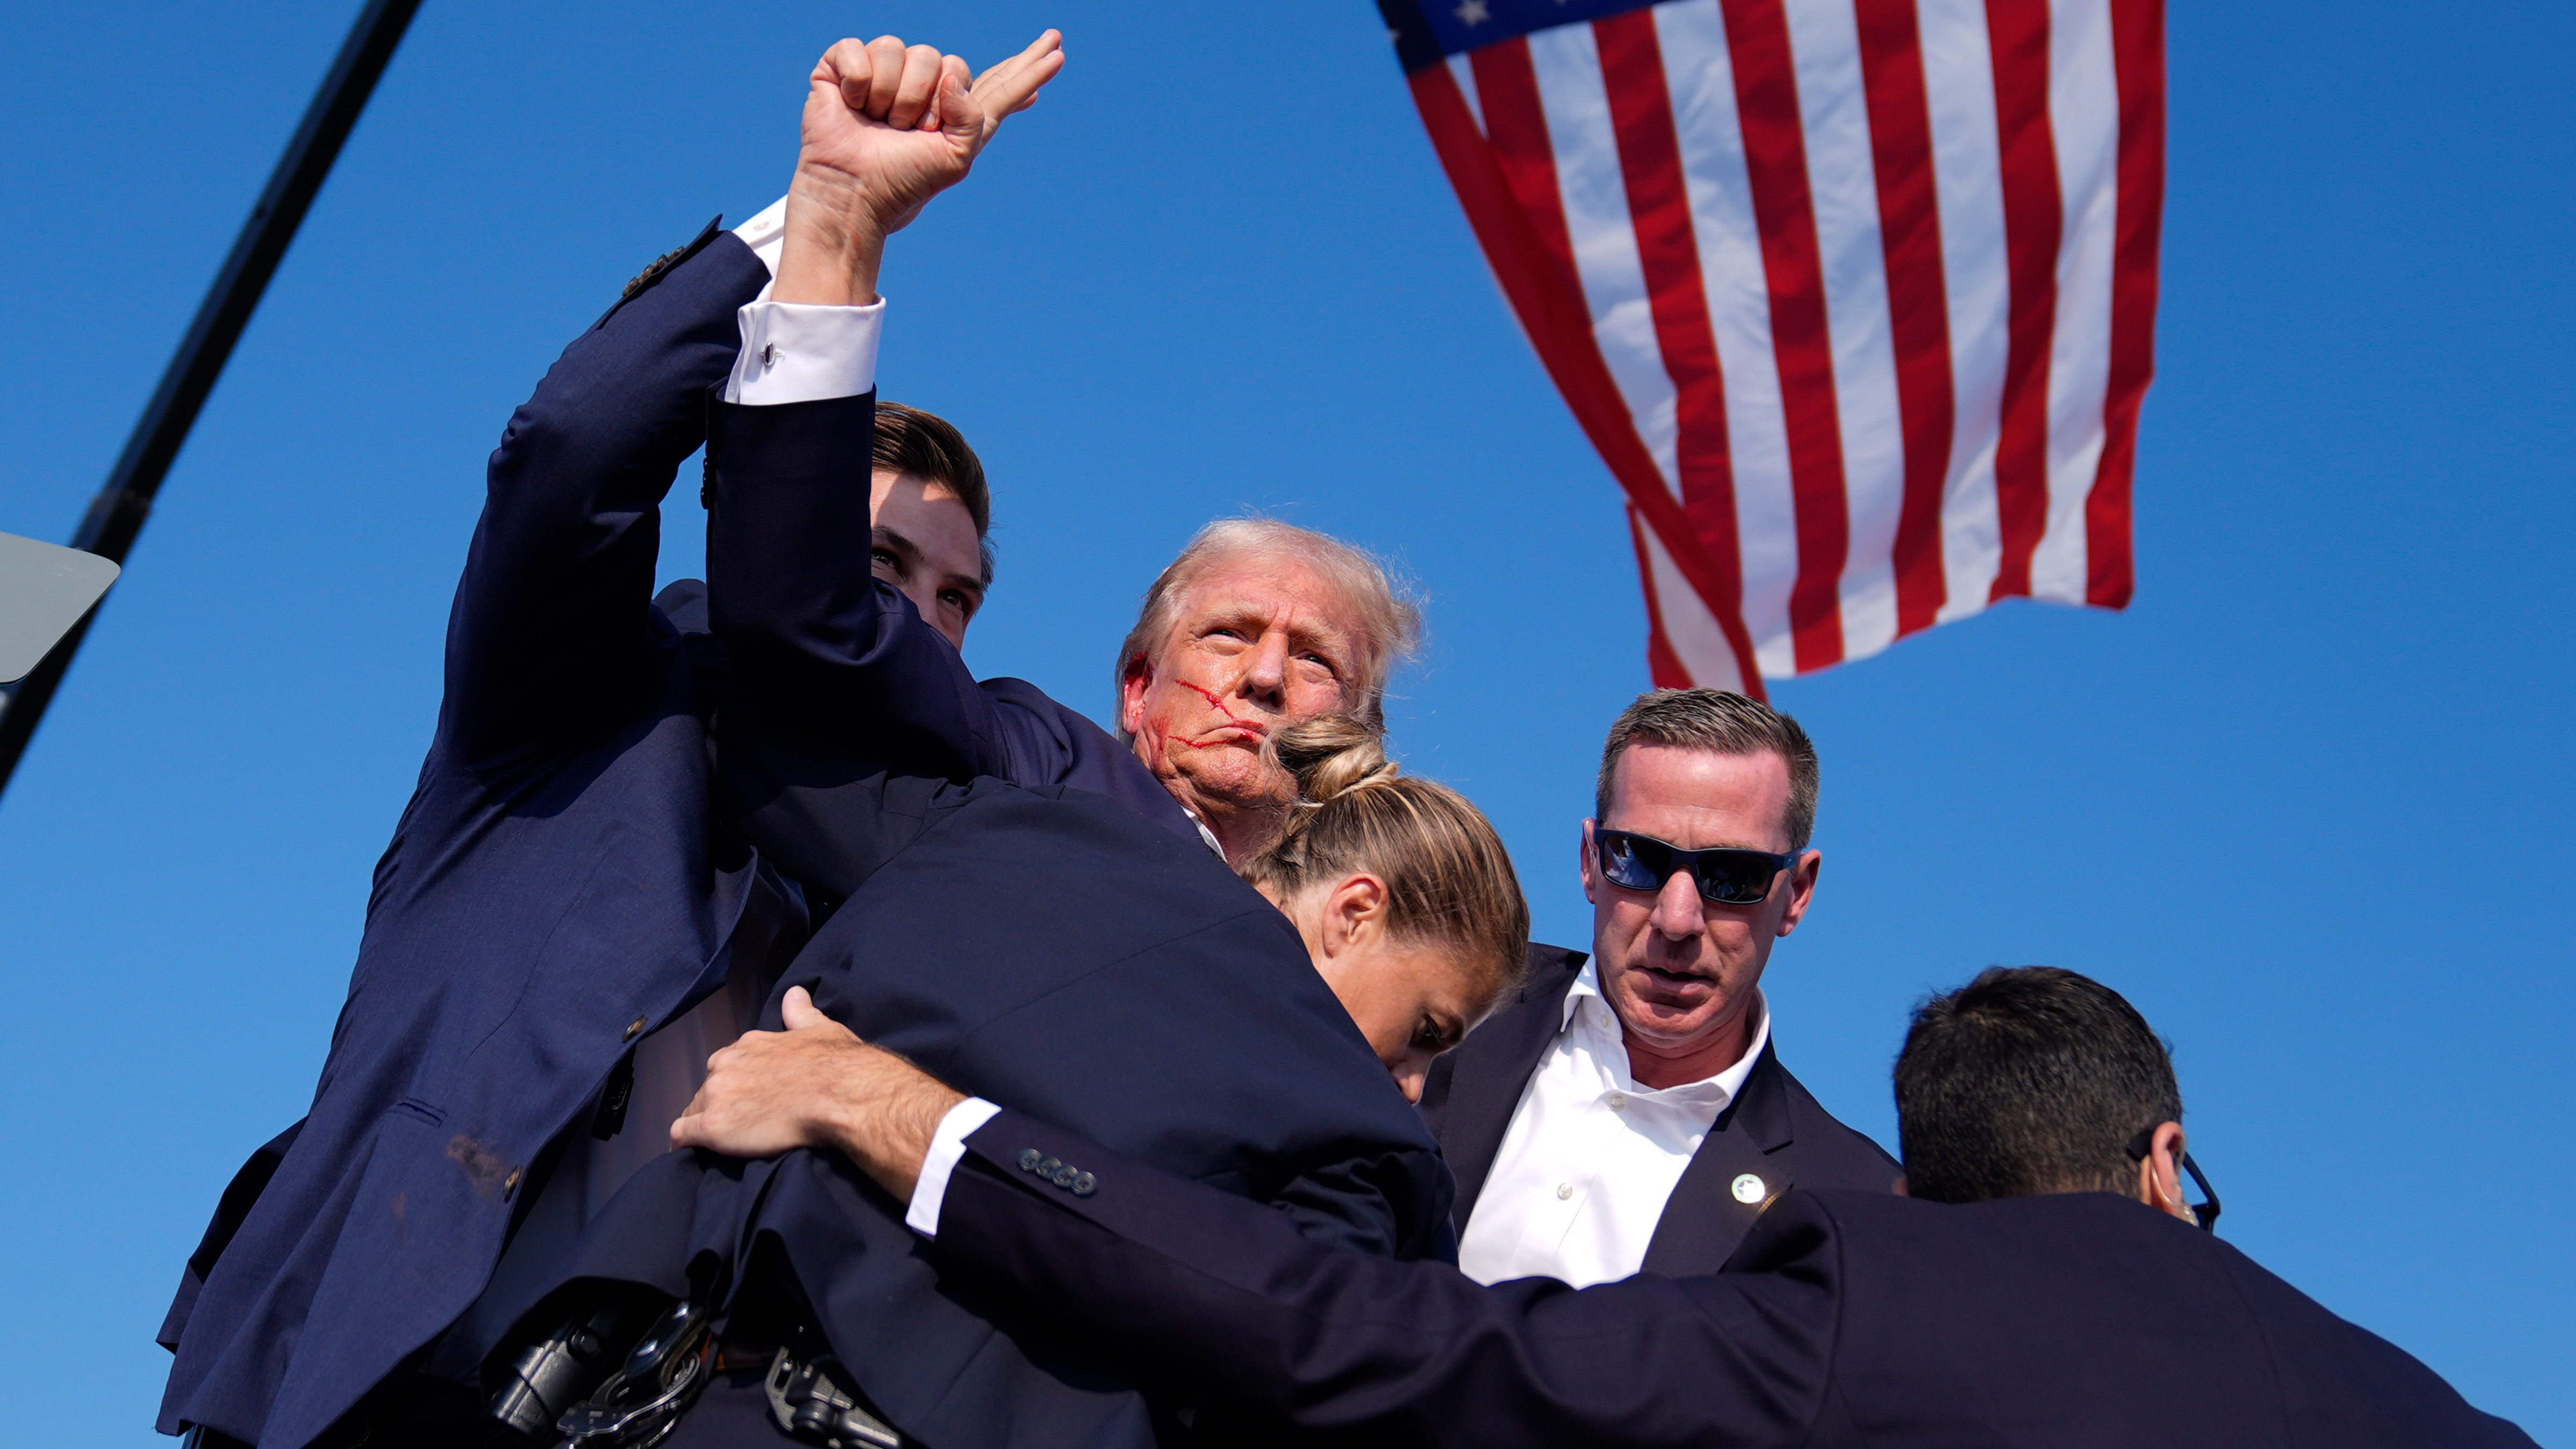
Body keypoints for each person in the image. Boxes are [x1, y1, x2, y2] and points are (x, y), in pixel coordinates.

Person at [153, 34, 1065, 1449]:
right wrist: (830, 214)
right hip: (380, 1370)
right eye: (884, 566)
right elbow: (571, 447)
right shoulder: (582, 695)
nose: (929, 620)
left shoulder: (924, 860)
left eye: (960, 597)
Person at [794, 967, 2542, 1448]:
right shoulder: (2453, 1414)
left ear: (1927, 1187)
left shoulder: (1869, 1302)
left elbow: (1370, 1337)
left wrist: (937, 1128)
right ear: (2168, 1160)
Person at [456, 721, 1529, 1448]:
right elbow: (1310, 1367)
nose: (1412, 1081)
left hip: (641, 1392)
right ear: (1353, 911)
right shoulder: (1369, 1146)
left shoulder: (1024, 834)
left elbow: (744, 652)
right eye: (1428, 1029)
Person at [1423, 687, 1898, 1284]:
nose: (1677, 919)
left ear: (1797, 894)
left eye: (1732, 876)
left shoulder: (1854, 1210)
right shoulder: (1442, 994)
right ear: (1590, 860)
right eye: (1639, 860)